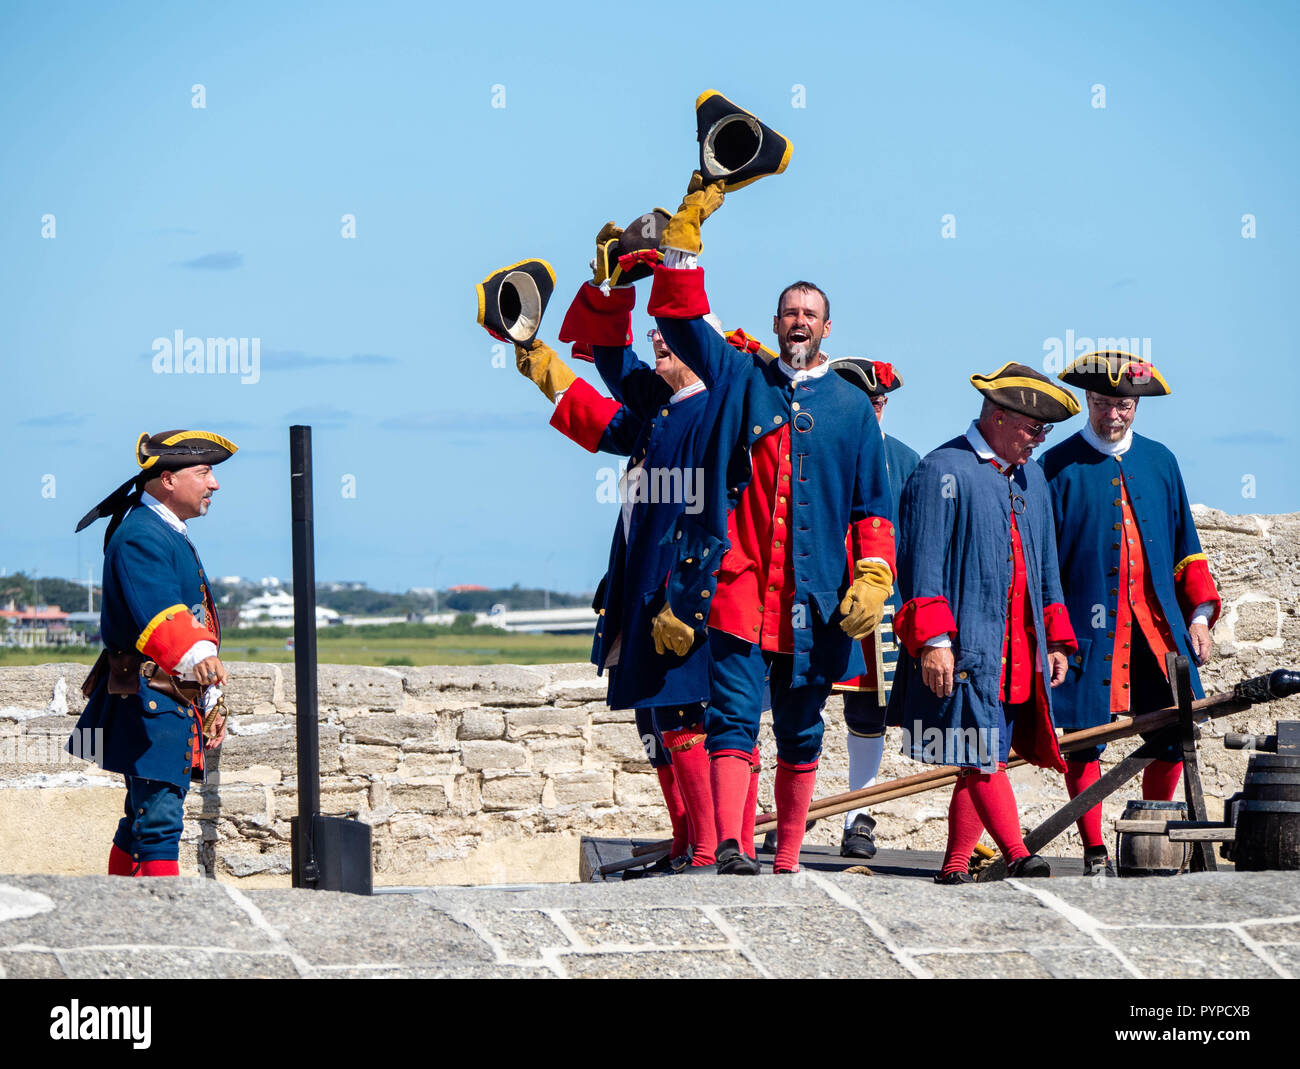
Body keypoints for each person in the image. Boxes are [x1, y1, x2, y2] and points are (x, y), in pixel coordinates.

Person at [640, 174, 897, 875]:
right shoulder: (741, 377)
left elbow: (872, 506)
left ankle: (786, 858)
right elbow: (685, 320)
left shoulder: (849, 407)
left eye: (810, 313)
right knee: (730, 717)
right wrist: (685, 238)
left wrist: (874, 574)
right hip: (739, 590)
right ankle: (730, 845)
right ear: (776, 320)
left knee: (802, 728)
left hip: (814, 602)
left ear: (827, 327)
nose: (798, 322)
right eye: (789, 311)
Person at [509, 318, 720, 871]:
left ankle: (704, 849)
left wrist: (682, 595)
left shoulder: (713, 412)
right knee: (652, 721)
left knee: (679, 716)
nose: (657, 341)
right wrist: (540, 359)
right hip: (639, 585)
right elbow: (604, 422)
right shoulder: (666, 409)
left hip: (678, 590)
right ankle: (684, 842)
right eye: (654, 332)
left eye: (670, 336)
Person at [889, 365, 1079, 883]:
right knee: (980, 751)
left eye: (1045, 432)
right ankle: (1017, 853)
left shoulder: (1030, 476)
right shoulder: (941, 470)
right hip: (969, 646)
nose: (1038, 442)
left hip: (1020, 649)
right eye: (1032, 430)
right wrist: (933, 640)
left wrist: (1057, 639)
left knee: (981, 753)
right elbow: (921, 564)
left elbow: (1045, 565)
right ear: (997, 417)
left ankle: (954, 865)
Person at [1042, 350, 1221, 876]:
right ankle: (1094, 848)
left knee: (1172, 733)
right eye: (1100, 403)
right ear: (1086, 402)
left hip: (1155, 627)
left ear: (1136, 405)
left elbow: (1187, 547)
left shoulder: (1161, 461)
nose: (1112, 415)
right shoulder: (1054, 466)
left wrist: (1200, 616)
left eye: (1121, 404)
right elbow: (1042, 561)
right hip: (1082, 631)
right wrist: (1052, 633)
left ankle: (1155, 836)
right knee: (1082, 741)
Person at [70, 430, 236, 876]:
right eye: (204, 472)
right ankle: (161, 925)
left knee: (140, 818)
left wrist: (210, 698)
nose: (214, 484)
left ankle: (123, 916)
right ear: (167, 479)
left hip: (166, 697)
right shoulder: (142, 534)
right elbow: (160, 612)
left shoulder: (165, 530)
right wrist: (199, 655)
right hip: (151, 701)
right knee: (159, 821)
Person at [829, 358, 921, 859]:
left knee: (866, 713)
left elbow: (919, 546)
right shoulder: (807, 449)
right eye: (865, 403)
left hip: (877, 611)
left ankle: (857, 816)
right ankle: (775, 819)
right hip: (807, 603)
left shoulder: (907, 463)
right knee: (784, 706)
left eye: (879, 403)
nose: (874, 411)